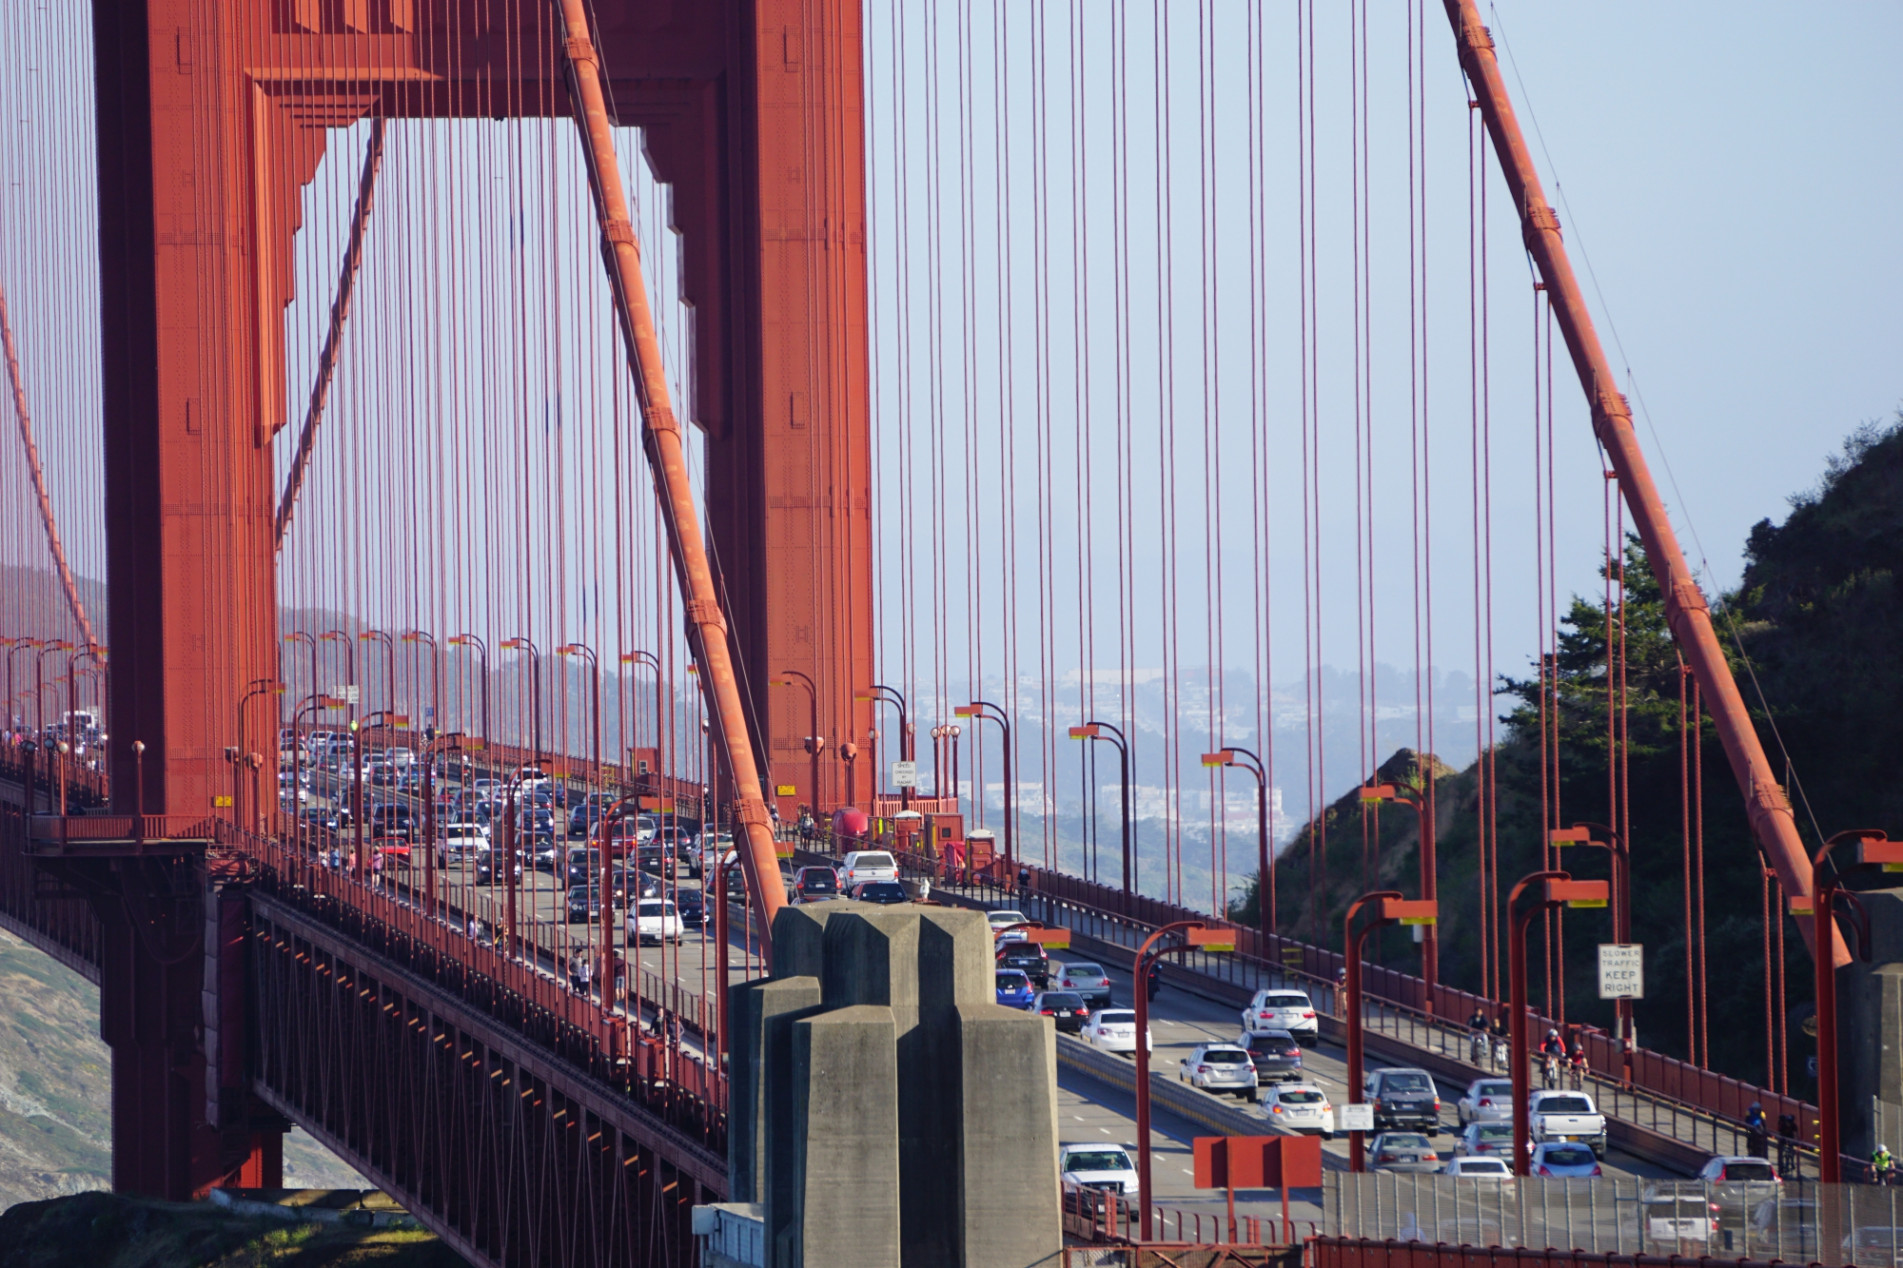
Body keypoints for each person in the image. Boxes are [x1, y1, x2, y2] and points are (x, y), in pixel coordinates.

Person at [1777, 1113, 1800, 1177]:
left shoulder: (1794, 1125)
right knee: (1781, 1150)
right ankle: (1781, 1165)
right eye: (1788, 1122)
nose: (1789, 1123)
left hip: (1790, 1137)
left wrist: (1797, 1142)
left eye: (1790, 1122)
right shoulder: (1782, 1125)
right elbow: (1779, 1133)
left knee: (1791, 1149)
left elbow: (1796, 1134)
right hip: (1783, 1137)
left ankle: (1792, 1161)